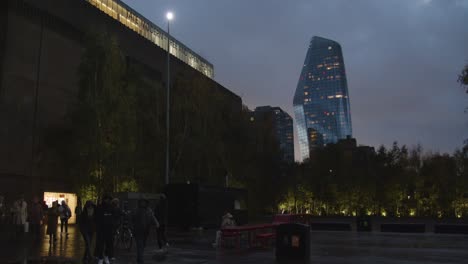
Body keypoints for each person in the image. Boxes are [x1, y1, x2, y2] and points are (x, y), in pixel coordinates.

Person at [133, 199, 159, 264]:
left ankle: (139, 258)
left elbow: (153, 217)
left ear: (146, 203)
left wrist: (156, 223)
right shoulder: (136, 210)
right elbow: (131, 218)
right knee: (140, 245)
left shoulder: (149, 210)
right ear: (139, 203)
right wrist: (131, 227)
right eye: (142, 202)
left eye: (144, 202)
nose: (143, 204)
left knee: (143, 245)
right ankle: (141, 260)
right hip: (138, 230)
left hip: (146, 231)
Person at [95, 195, 117, 264]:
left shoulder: (112, 208)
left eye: (109, 199)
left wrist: (114, 226)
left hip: (110, 230)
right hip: (101, 230)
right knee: (100, 245)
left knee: (109, 245)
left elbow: (115, 217)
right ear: (104, 199)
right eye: (106, 199)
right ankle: (100, 257)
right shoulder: (99, 207)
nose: (107, 201)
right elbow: (96, 218)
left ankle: (106, 257)